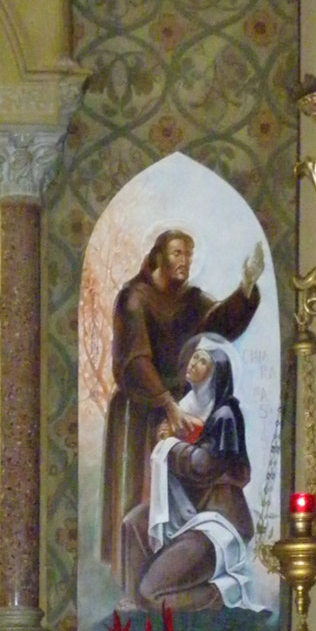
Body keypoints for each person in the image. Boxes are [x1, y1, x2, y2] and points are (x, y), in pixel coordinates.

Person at [103, 228, 263, 594]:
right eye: (177, 253)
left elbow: (219, 323)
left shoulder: (190, 300)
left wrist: (246, 289)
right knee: (139, 491)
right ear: (158, 256)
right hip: (142, 406)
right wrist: (166, 402)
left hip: (178, 405)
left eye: (189, 255)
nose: (184, 262)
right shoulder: (135, 298)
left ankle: (174, 570)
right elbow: (135, 358)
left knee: (179, 485)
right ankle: (134, 579)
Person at [120, 334, 266, 613]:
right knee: (133, 523)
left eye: (203, 361)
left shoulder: (225, 414)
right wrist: (165, 437)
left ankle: (223, 593)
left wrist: (169, 444)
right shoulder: (186, 406)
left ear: (217, 372)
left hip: (217, 521)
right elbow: (170, 443)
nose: (194, 364)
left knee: (152, 595)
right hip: (185, 509)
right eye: (195, 357)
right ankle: (133, 605)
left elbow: (203, 464)